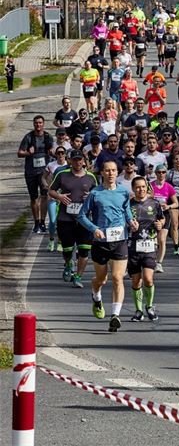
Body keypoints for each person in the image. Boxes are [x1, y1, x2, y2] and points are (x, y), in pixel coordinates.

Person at [77, 160, 137, 333]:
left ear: (117, 172)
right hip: (100, 242)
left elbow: (126, 212)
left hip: (119, 241)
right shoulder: (95, 194)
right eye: (107, 170)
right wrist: (94, 229)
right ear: (102, 173)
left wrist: (131, 223)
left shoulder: (123, 192)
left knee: (118, 278)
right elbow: (82, 216)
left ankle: (115, 316)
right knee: (101, 279)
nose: (111, 173)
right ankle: (96, 297)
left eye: (113, 170)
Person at [48, 150, 97, 288]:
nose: (77, 162)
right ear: (70, 161)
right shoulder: (62, 174)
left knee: (84, 250)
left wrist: (91, 197)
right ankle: (69, 264)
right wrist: (60, 197)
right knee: (67, 249)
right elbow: (51, 190)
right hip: (65, 218)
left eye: (80, 159)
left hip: (84, 219)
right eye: (75, 160)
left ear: (84, 161)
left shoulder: (91, 177)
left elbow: (98, 194)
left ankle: (78, 276)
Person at [128, 176, 165, 321]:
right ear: (133, 189)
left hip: (149, 246)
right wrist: (130, 225)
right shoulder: (128, 204)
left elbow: (162, 218)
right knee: (136, 281)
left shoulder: (154, 204)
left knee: (148, 279)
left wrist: (160, 224)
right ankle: (138, 311)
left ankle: (149, 306)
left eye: (143, 187)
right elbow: (123, 220)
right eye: (137, 187)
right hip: (133, 247)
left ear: (147, 188)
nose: (141, 189)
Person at [19, 116, 54, 233]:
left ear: (43, 124)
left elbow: (53, 150)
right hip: (31, 172)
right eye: (36, 123)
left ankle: (43, 222)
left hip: (44, 173)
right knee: (33, 198)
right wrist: (28, 153)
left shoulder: (48, 137)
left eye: (40, 123)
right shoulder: (28, 137)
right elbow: (19, 153)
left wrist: (52, 152)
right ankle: (36, 222)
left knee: (44, 196)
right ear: (33, 124)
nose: (38, 125)